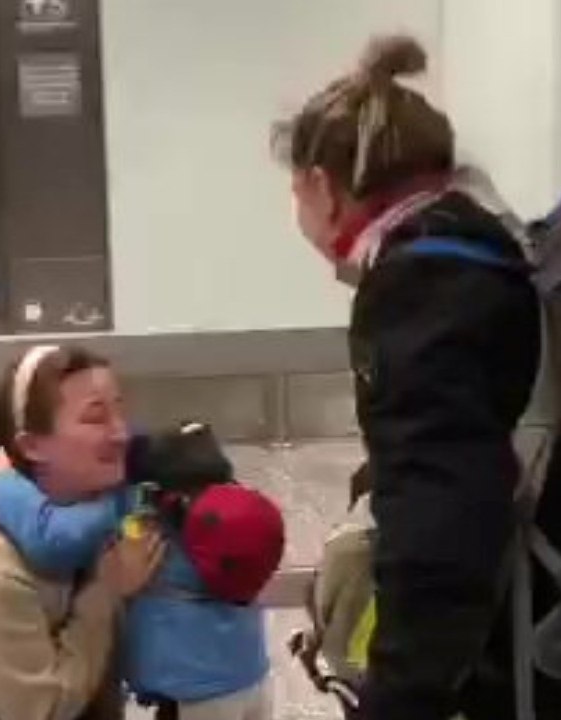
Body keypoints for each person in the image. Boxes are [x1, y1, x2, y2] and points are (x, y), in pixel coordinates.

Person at [273, 35, 545, 720]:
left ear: (319, 186)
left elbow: (441, 511)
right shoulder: (478, 245)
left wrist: (400, 697)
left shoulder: (420, 283)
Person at [0, 422, 280, 720]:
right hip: (252, 678)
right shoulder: (227, 502)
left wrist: (1, 480)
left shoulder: (143, 508)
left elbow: (51, 537)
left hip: (196, 696)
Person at [0, 344, 165, 720]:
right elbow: (50, 708)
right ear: (31, 445)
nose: (121, 433)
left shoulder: (91, 509)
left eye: (119, 409)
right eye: (96, 417)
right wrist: (107, 591)